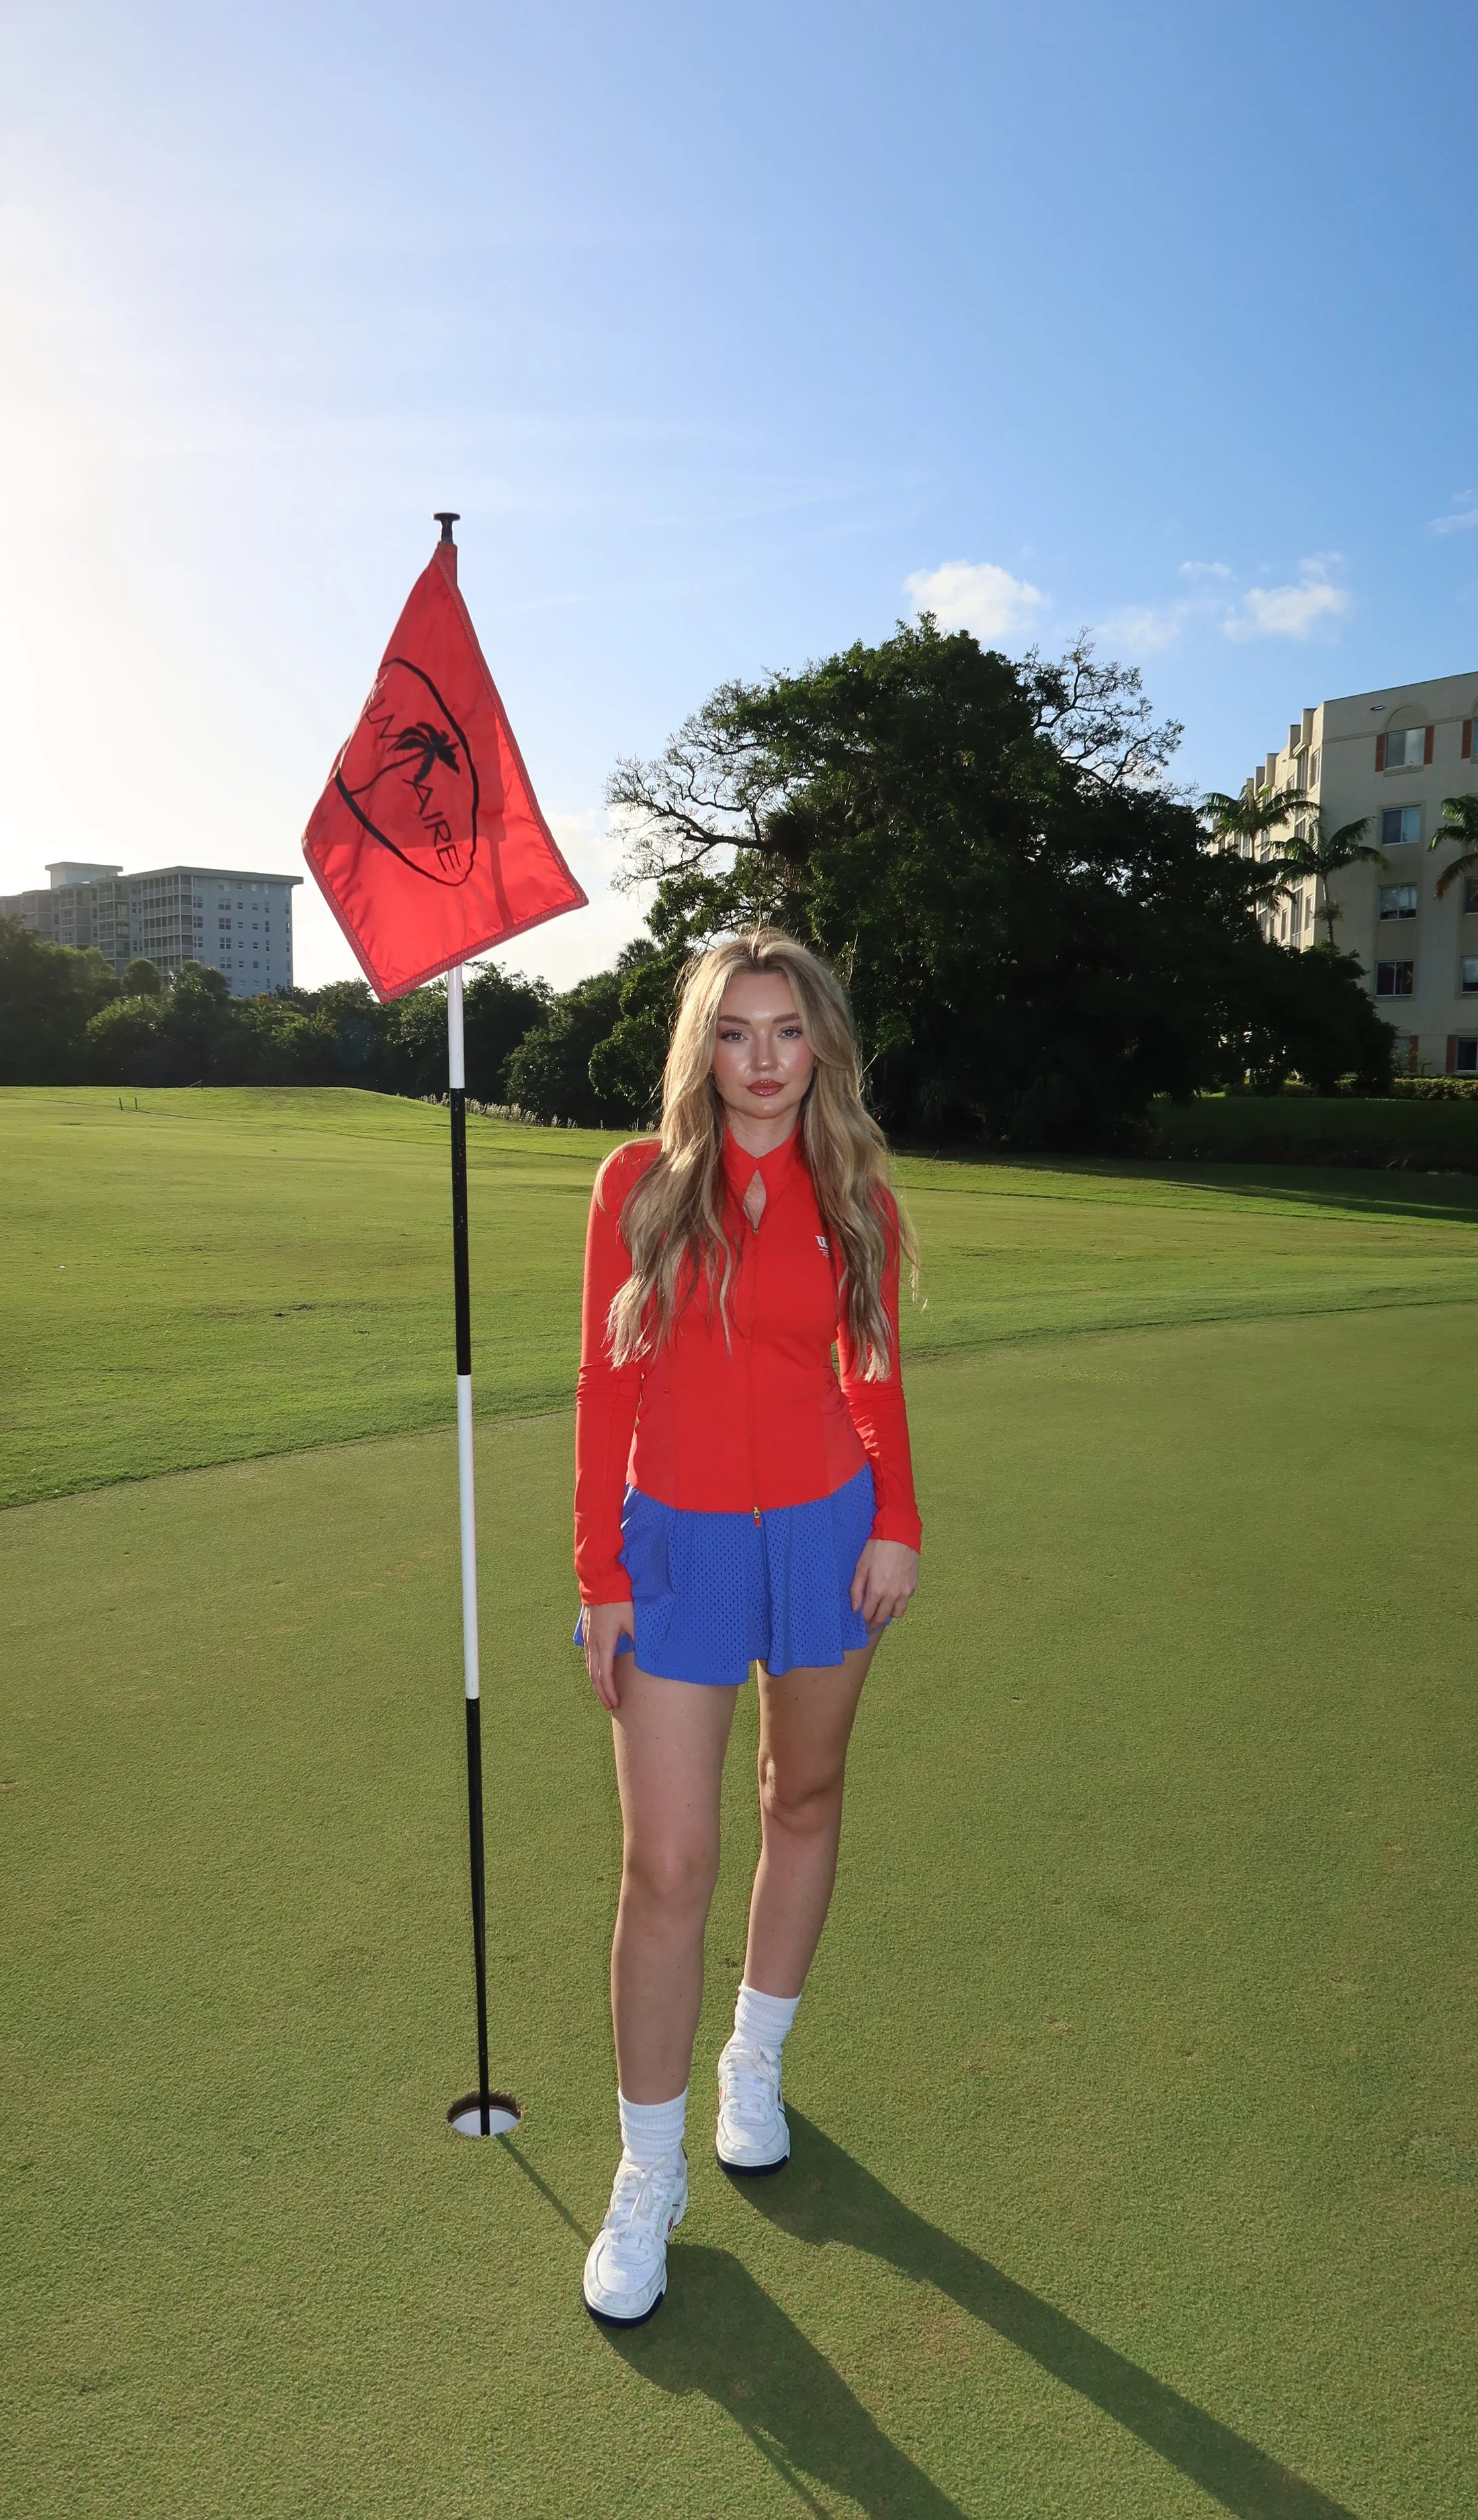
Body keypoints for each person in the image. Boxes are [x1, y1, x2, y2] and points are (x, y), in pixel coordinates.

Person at [573, 929, 922, 2326]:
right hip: (675, 1550)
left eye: (786, 1031)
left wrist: (896, 1517)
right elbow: (604, 1390)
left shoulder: (856, 1196)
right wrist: (595, 1572)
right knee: (666, 1862)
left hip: (828, 1534)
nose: (763, 1058)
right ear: (701, 1049)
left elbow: (874, 1372)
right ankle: (644, 2176)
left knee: (803, 1794)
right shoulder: (637, 1189)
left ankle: (752, 2063)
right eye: (735, 1032)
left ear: (819, 1046)